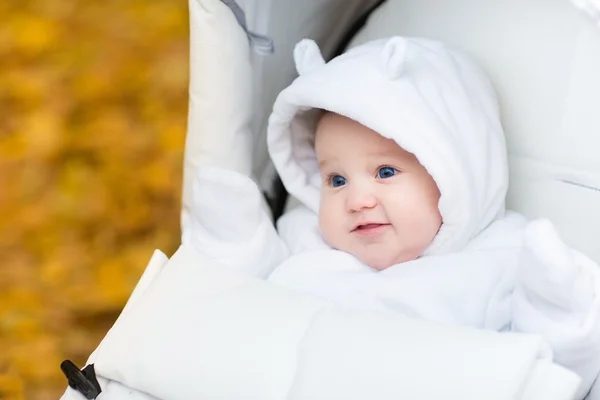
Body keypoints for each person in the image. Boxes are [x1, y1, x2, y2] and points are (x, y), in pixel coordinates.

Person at [186, 36, 600, 399]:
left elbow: (548, 376)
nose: (356, 200)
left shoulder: (498, 261)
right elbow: (237, 309)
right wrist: (234, 244)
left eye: (385, 172)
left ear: (455, 173)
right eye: (335, 179)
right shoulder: (304, 239)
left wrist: (555, 311)